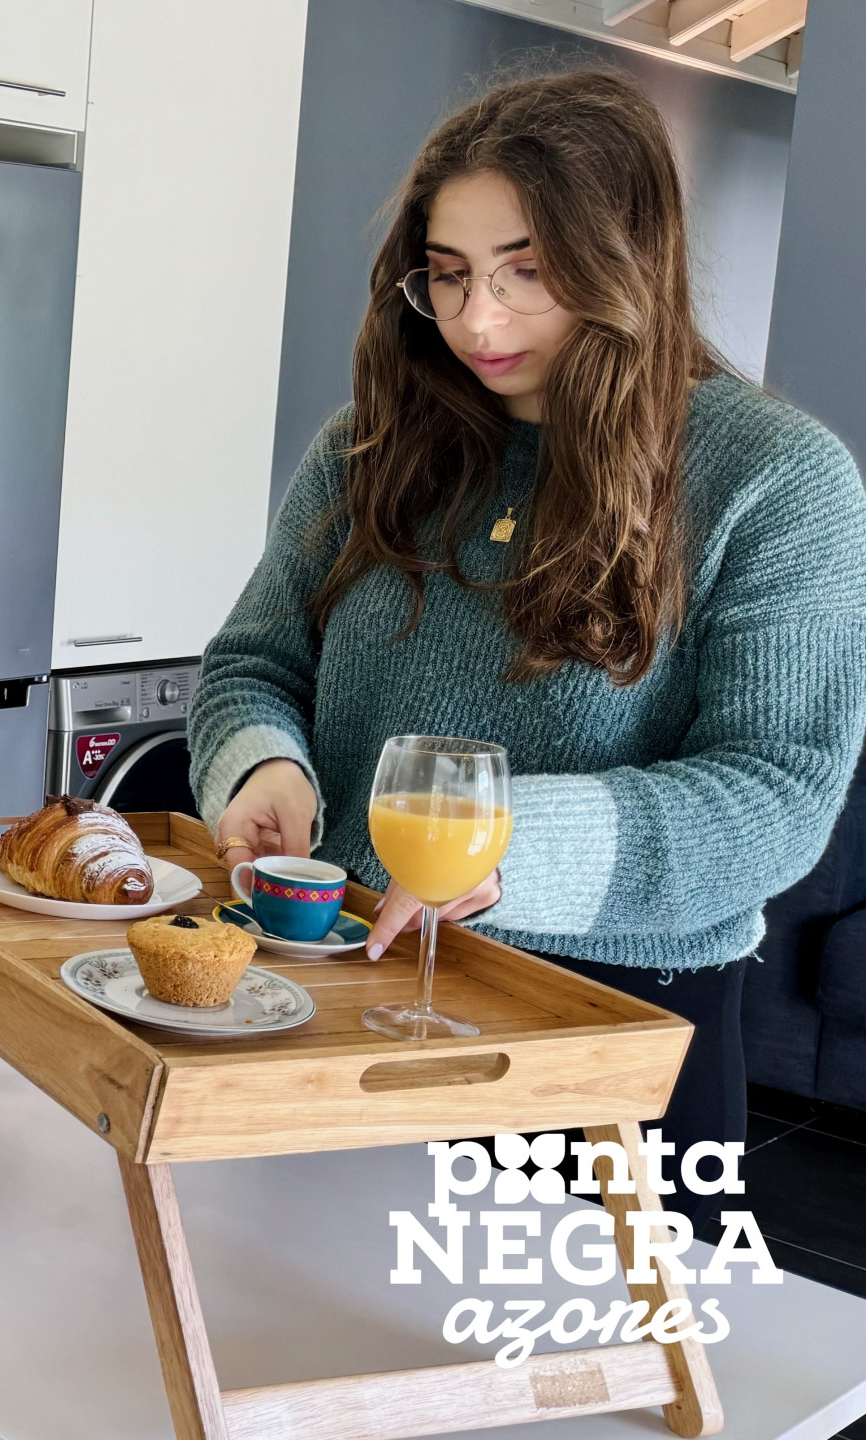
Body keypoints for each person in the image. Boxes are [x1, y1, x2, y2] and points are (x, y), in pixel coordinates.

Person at [190, 68, 866, 1237]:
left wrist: (508, 846)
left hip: (605, 1036)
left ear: (627, 259)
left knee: (561, 1355)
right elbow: (253, 662)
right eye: (447, 274)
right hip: (332, 989)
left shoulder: (775, 479)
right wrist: (260, 766)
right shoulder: (367, 447)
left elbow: (777, 798)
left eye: (527, 272)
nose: (477, 322)